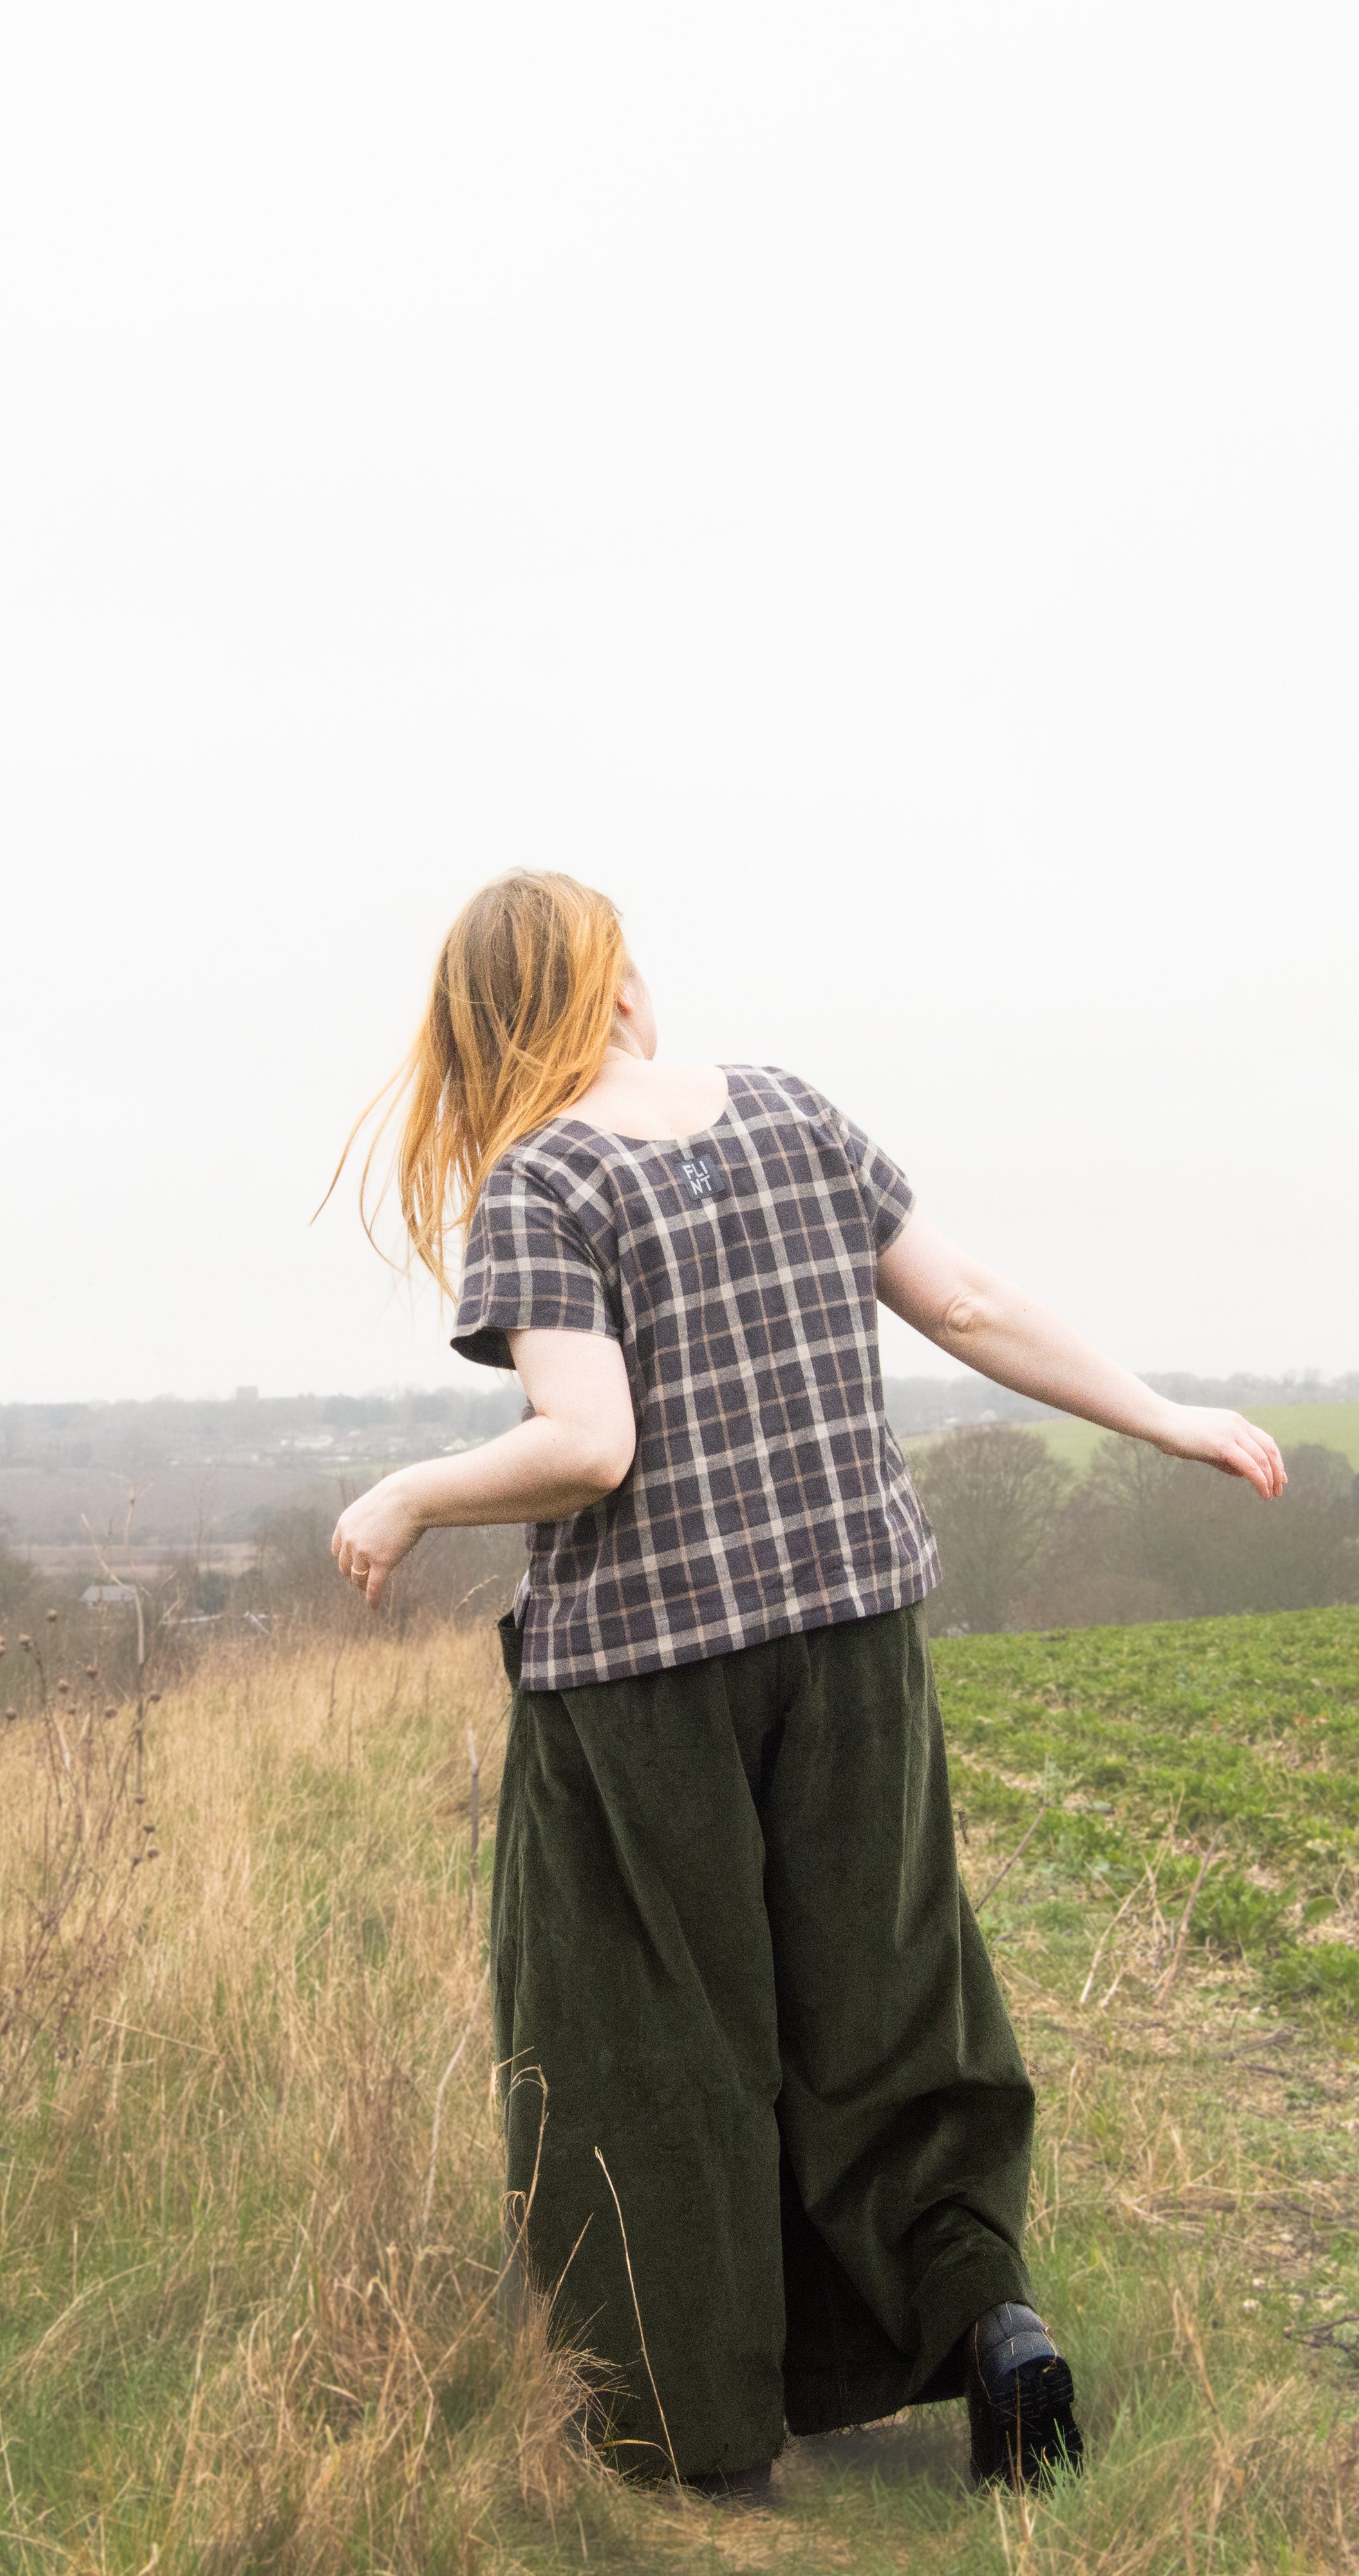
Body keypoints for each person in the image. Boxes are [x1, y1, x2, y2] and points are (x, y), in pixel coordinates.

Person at [326, 871, 1285, 2499]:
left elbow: (588, 1447)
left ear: (487, 1020)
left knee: (656, 2034)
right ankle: (988, 2322)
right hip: (851, 1637)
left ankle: (692, 2434)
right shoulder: (791, 1111)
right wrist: (1165, 1416)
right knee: (889, 1993)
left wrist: (409, 1492)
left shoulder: (540, 1177)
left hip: (643, 1677)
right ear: (613, 984)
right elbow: (970, 1302)